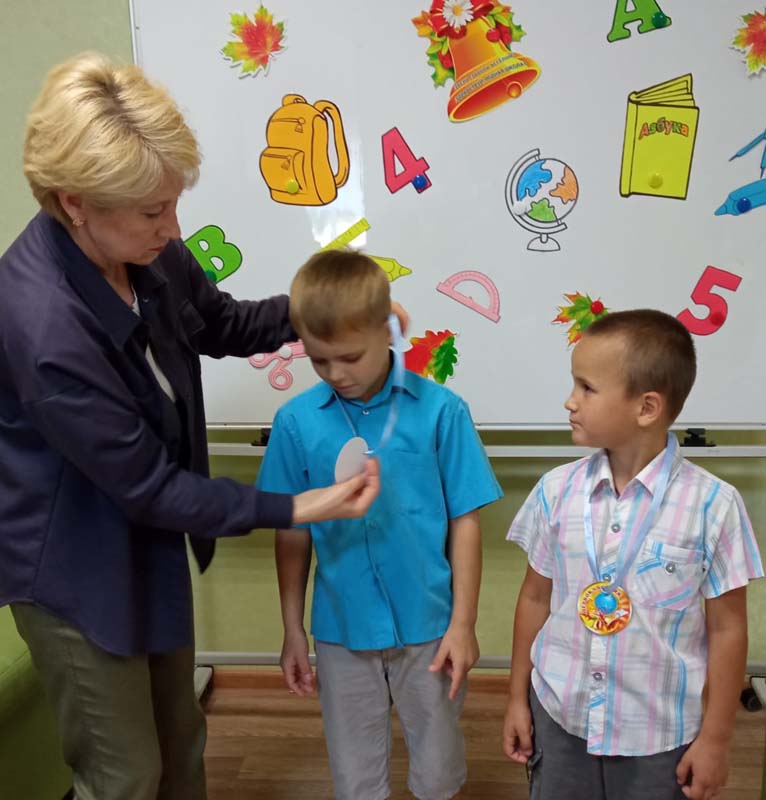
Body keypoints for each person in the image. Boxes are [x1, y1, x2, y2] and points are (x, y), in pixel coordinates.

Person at [0, 52, 391, 800]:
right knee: (124, 773)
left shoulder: (145, 252)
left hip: (145, 535)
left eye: (173, 203)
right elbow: (149, 487)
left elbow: (221, 322)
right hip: (72, 564)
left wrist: (332, 310)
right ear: (74, 202)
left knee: (181, 744)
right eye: (154, 212)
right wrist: (298, 506)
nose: (173, 228)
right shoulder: (46, 327)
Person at [256, 249, 503, 800]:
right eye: (319, 361)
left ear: (389, 330)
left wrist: (463, 623)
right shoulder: (295, 422)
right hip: (342, 627)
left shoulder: (442, 411)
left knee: (438, 770)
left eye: (349, 357)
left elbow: (465, 520)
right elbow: (290, 530)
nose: (336, 374)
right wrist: (292, 627)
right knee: (355, 776)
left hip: (429, 625)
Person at [502, 309, 764, 800]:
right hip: (560, 721)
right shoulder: (555, 491)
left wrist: (716, 739)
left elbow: (727, 629)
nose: (570, 401)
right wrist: (517, 698)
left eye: (586, 388)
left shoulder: (714, 505)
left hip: (660, 737)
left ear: (646, 407)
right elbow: (535, 598)